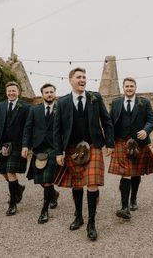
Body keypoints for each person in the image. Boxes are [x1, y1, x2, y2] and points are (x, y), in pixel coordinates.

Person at [53, 67, 114, 241]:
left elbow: (107, 121)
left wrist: (109, 142)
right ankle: (78, 215)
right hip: (72, 148)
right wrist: (59, 151)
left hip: (93, 145)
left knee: (92, 182)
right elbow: (56, 130)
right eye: (79, 77)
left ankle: (91, 222)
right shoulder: (63, 102)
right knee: (77, 184)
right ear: (70, 80)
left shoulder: (95, 97)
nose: (82, 80)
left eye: (84, 77)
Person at [108, 77, 153, 220]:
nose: (129, 88)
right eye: (127, 86)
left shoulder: (144, 102)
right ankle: (124, 207)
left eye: (132, 86)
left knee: (136, 173)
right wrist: (109, 143)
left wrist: (146, 130)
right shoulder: (116, 102)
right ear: (123, 87)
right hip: (121, 141)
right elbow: (109, 123)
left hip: (139, 142)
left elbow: (152, 120)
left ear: (135, 87)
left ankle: (133, 199)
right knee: (125, 172)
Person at [0, 81, 31, 216]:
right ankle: (18, 188)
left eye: (13, 91)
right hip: (3, 144)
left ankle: (13, 203)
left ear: (18, 92)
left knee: (11, 172)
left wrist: (26, 145)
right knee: (3, 171)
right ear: (6, 92)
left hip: (17, 144)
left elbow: (27, 128)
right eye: (9, 91)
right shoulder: (0, 106)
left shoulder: (25, 107)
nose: (11, 93)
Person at [22, 83, 60, 224]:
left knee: (47, 180)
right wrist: (25, 145)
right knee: (39, 180)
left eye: (51, 92)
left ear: (54, 93)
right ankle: (53, 194)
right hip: (38, 148)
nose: (49, 94)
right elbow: (28, 128)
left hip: (54, 148)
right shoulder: (34, 110)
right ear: (42, 94)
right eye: (46, 92)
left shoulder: (61, 109)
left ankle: (44, 211)